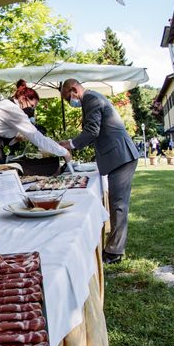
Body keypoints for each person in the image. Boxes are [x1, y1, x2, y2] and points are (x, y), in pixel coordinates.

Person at [58, 78, 139, 265]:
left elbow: (92, 131)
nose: (70, 103)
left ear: (74, 90)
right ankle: (113, 247)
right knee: (116, 203)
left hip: (122, 156)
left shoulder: (91, 99)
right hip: (118, 157)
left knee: (118, 204)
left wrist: (69, 144)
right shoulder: (91, 99)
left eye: (67, 98)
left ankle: (114, 252)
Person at [0, 80, 71, 165]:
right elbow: (37, 138)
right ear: (22, 99)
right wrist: (63, 152)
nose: (32, 111)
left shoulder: (4, 104)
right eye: (31, 106)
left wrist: (16, 138)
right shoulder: (12, 109)